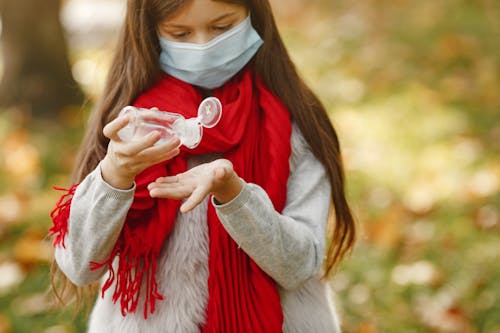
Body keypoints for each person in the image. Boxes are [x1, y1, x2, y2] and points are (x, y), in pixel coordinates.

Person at [49, 0, 356, 332]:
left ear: (254, 14)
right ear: (150, 32)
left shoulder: (295, 123)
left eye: (222, 28)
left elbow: (301, 264)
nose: (203, 46)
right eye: (179, 33)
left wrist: (235, 196)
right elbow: (80, 266)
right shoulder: (131, 124)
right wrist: (115, 176)